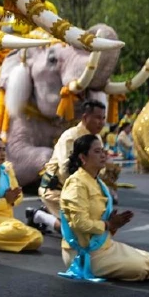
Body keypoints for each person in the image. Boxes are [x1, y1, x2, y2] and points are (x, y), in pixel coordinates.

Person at [60, 135, 149, 281]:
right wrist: (108, 224)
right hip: (84, 253)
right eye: (97, 151)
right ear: (83, 157)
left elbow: (100, 222)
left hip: (104, 245)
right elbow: (80, 224)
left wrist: (113, 225)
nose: (103, 154)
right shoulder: (76, 184)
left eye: (103, 150)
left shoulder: (98, 182)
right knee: (143, 269)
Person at [34, 99, 107, 234]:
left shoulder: (97, 139)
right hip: (57, 190)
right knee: (77, 231)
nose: (101, 122)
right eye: (97, 118)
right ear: (85, 117)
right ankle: (39, 215)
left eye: (103, 118)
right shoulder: (71, 137)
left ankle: (54, 214)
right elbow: (66, 170)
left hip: (82, 191)